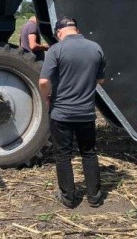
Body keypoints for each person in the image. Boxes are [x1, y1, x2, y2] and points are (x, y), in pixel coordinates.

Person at [39, 16, 106, 208]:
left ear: (59, 33)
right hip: (86, 113)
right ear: (76, 29)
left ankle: (68, 197)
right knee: (89, 153)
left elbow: (43, 82)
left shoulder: (56, 49)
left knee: (63, 155)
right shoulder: (96, 48)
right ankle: (94, 197)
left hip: (62, 113)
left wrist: (47, 97)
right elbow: (101, 80)